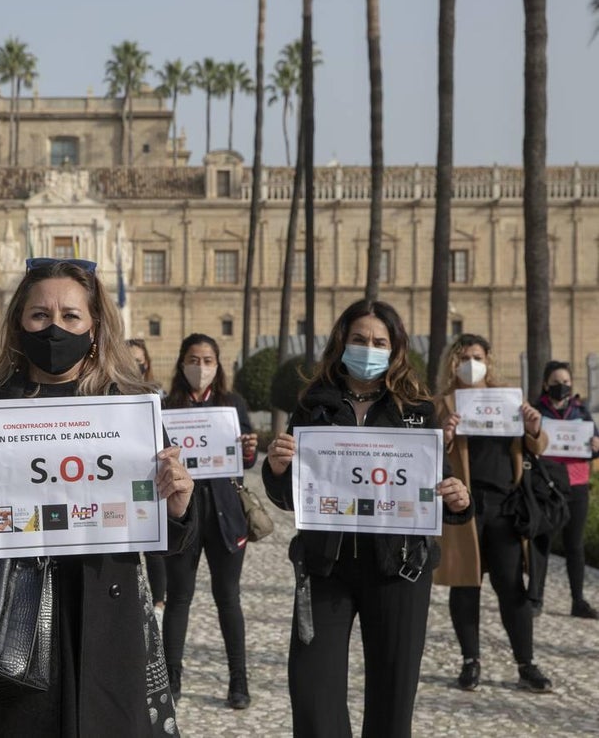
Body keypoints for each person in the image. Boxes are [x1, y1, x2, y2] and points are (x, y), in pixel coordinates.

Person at [0, 258, 196, 737]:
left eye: (70, 316)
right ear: (18, 324)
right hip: (4, 621)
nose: (54, 328)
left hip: (103, 617)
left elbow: (165, 535)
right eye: (40, 315)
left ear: (94, 327)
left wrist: (178, 505)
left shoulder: (128, 407)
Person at [262, 299, 471, 738]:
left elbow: (435, 486)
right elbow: (290, 497)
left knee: (393, 705)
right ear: (342, 343)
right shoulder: (314, 406)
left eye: (379, 341)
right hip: (326, 568)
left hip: (400, 570)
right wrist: (277, 469)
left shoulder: (416, 409)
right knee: (313, 698)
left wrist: (457, 499)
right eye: (359, 339)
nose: (368, 348)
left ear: (395, 350)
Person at [433, 334, 553, 693]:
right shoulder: (444, 403)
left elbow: (537, 445)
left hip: (505, 505)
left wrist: (534, 427)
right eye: (463, 357)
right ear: (452, 363)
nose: (471, 364)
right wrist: (445, 436)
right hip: (463, 506)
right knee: (465, 583)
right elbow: (429, 451)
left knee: (511, 585)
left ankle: (526, 663)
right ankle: (470, 661)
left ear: (488, 360)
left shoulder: (508, 399)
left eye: (477, 356)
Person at [161, 333, 258, 709]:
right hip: (182, 516)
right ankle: (172, 677)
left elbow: (245, 460)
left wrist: (248, 450)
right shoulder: (166, 406)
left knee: (228, 597)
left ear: (218, 366)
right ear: (181, 363)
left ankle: (239, 680)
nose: (200, 368)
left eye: (207, 361)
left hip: (224, 515)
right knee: (179, 597)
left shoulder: (232, 405)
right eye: (193, 360)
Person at [533, 360, 599, 619]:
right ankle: (536, 598)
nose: (561, 386)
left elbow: (594, 445)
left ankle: (578, 600)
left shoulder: (581, 412)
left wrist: (596, 446)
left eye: (566, 382)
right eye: (555, 382)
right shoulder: (537, 412)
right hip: (547, 486)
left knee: (575, 545)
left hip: (577, 485)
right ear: (545, 385)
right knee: (543, 541)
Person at [128, 337, 167, 628]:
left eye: (138, 362)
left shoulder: (156, 398)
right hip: (119, 484)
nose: (133, 367)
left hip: (148, 479)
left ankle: (158, 601)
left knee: (153, 544)